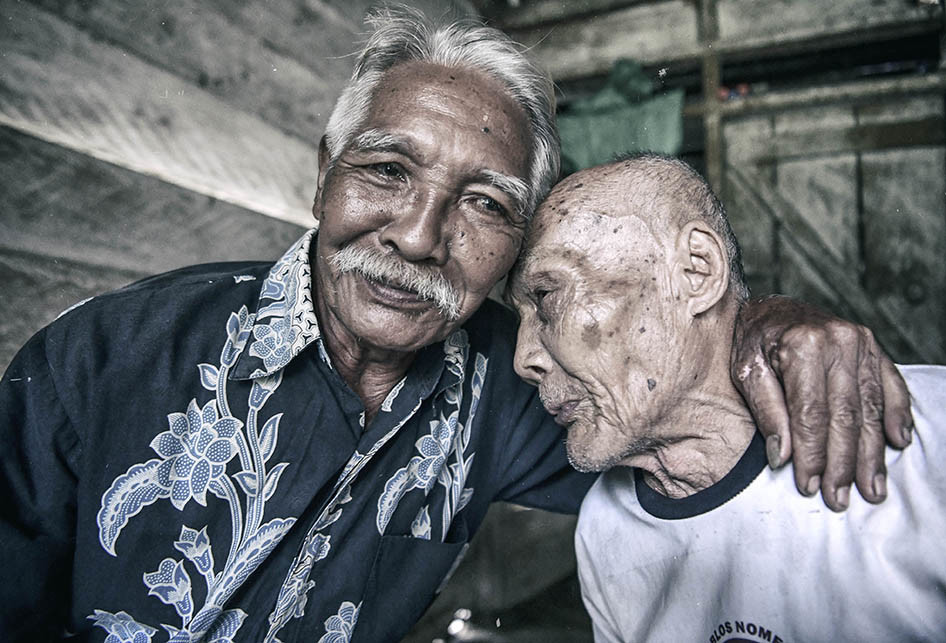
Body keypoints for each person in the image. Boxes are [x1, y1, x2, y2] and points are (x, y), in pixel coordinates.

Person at [0, 7, 911, 643]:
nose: (420, 236)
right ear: (325, 174)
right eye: (388, 170)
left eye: (484, 202)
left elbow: (678, 398)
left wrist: (769, 322)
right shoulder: (102, 359)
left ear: (517, 241)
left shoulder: (514, 389)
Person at [508, 153, 944, 642]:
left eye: (547, 298)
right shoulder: (604, 529)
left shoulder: (928, 433)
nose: (524, 359)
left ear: (696, 272)